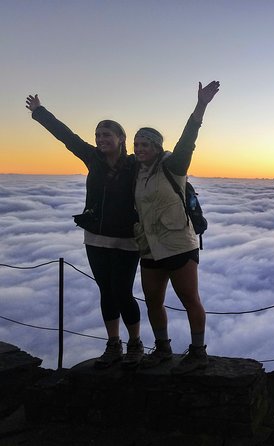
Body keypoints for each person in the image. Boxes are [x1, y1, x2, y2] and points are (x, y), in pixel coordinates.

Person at [25, 95, 144, 369]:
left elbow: (162, 170)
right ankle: (113, 343)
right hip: (95, 238)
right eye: (98, 135)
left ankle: (135, 343)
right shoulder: (93, 158)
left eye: (107, 135)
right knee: (106, 291)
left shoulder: (135, 165)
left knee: (123, 291)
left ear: (121, 138)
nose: (101, 139)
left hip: (128, 239)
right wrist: (41, 112)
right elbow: (67, 136)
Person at [133, 81, 219, 374]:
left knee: (189, 300)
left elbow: (187, 140)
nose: (140, 149)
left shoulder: (173, 166)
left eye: (145, 144)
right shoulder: (138, 174)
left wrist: (201, 106)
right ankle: (162, 349)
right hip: (149, 248)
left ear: (157, 147)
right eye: (137, 144)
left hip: (179, 245)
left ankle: (198, 352)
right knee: (153, 301)